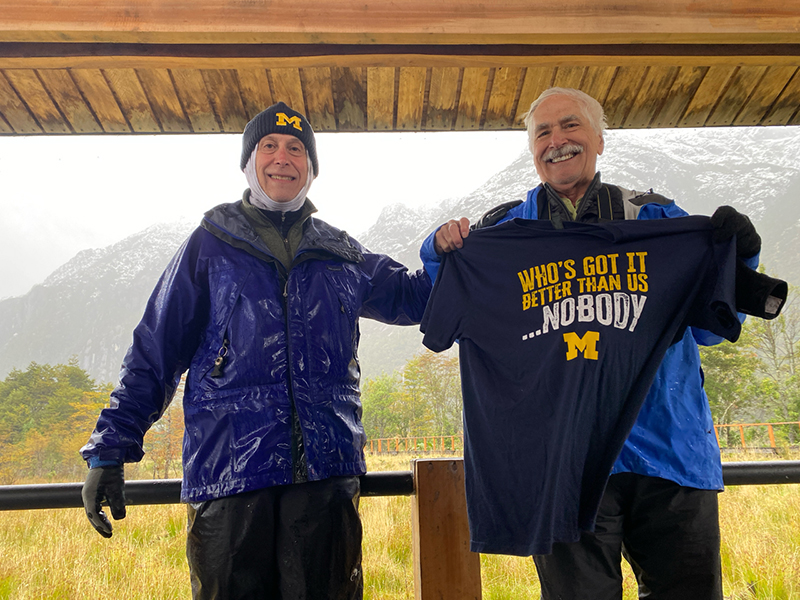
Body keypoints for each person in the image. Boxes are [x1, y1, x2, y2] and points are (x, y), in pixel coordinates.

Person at [80, 101, 433, 600]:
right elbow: (154, 351)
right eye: (268, 146)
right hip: (227, 473)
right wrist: (110, 450)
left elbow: (415, 297)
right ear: (249, 163)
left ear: (311, 168)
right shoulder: (208, 245)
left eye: (296, 149)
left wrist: (449, 253)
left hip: (325, 475)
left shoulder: (342, 252)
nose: (282, 158)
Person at [421, 87, 763, 599]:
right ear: (532, 150)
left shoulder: (660, 223)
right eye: (543, 133)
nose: (557, 141)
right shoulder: (502, 235)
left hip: (670, 452)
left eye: (571, 126)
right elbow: (444, 312)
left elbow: (711, 329)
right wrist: (440, 252)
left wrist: (740, 259)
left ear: (600, 140)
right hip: (561, 459)